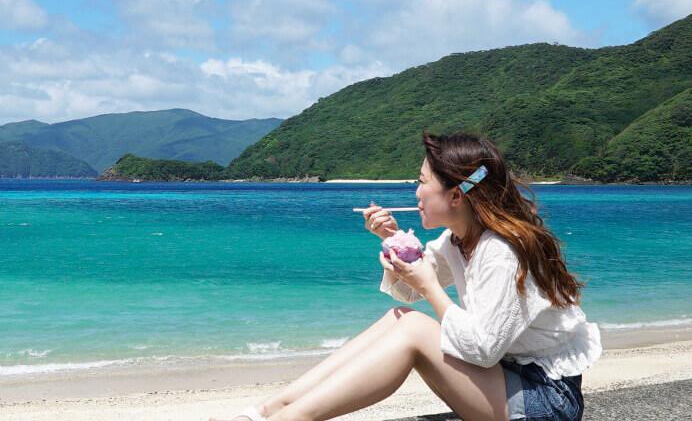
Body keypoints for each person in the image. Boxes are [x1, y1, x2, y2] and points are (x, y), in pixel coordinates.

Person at [211, 130, 600, 421]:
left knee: (414, 328)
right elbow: (408, 292)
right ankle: (269, 409)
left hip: (545, 401)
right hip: (507, 379)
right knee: (401, 317)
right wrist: (392, 239)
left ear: (455, 195)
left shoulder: (501, 252)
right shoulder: (458, 240)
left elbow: (482, 349)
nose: (416, 192)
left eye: (422, 181)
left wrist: (429, 286)